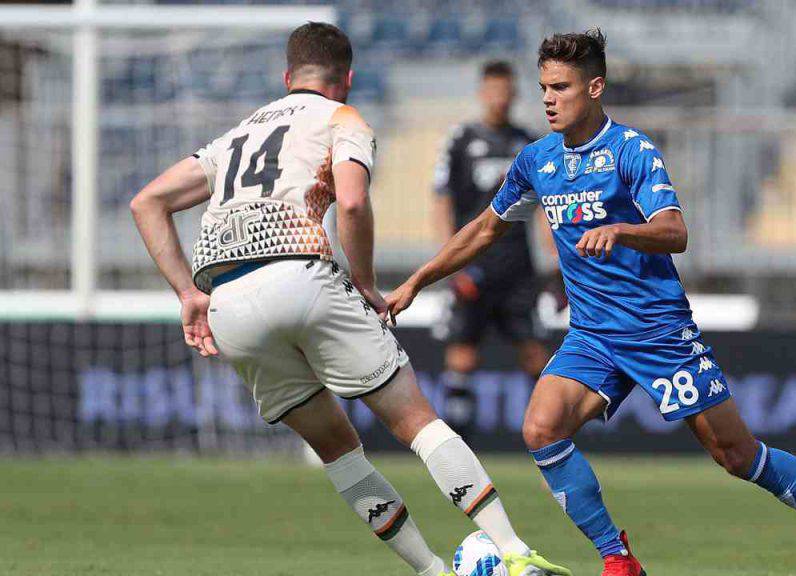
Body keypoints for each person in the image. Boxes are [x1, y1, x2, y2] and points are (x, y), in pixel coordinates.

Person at [385, 29, 796, 576]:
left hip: (656, 329)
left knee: (736, 456)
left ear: (594, 87)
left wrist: (622, 230)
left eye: (560, 87)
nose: (547, 98)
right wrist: (420, 279)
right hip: (592, 335)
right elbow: (484, 230)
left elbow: (675, 231)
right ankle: (619, 559)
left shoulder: (632, 151)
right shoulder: (536, 160)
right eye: (543, 86)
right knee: (542, 427)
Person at [129, 22, 571, 576]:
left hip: (227, 303)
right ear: (348, 79)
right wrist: (364, 283)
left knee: (339, 452)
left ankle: (432, 572)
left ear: (288, 77)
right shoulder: (342, 118)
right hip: (299, 273)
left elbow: (147, 202)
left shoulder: (236, 137)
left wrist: (187, 294)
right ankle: (512, 551)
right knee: (417, 422)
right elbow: (354, 205)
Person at [432, 60, 550, 439]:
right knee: (463, 352)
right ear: (483, 93)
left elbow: (548, 207)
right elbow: (442, 202)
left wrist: (559, 259)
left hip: (518, 267)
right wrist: (450, 262)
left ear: (514, 94)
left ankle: (551, 431)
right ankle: (457, 441)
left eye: (506, 91)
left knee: (534, 352)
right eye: (493, 91)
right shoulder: (461, 140)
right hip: (473, 263)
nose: (500, 98)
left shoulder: (529, 142)